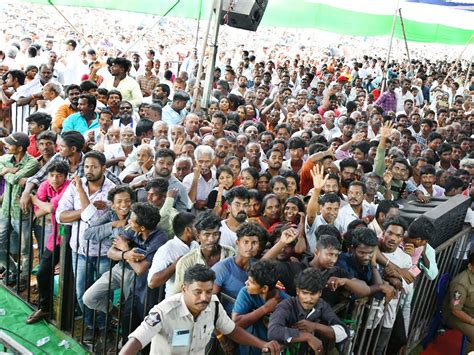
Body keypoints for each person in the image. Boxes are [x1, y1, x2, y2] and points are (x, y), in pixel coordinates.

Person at [120, 264, 281, 355]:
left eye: (209, 291)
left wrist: (263, 344)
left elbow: (232, 331)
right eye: (198, 292)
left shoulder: (214, 305)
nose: (204, 297)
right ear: (184, 288)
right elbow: (134, 343)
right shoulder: (164, 311)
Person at [56, 151, 117, 338]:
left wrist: (82, 213)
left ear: (103, 168)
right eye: (87, 166)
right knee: (81, 291)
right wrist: (84, 210)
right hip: (79, 249)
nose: (89, 170)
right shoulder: (76, 185)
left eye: (94, 167)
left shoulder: (112, 189)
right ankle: (90, 324)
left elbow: (94, 221)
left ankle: (104, 324)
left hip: (104, 251)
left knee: (102, 293)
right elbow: (60, 215)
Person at [83, 202, 167, 338]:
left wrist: (126, 249)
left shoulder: (159, 239)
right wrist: (126, 255)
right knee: (89, 297)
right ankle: (119, 316)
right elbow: (111, 252)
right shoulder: (131, 228)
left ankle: (130, 340)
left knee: (133, 314)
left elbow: (140, 269)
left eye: (132, 221)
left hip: (138, 279)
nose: (128, 222)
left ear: (142, 228)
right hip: (120, 268)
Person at [26, 161, 70, 324]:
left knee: (71, 275)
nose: (55, 179)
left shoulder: (69, 186)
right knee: (43, 272)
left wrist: (32, 198)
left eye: (59, 175)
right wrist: (44, 204)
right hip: (57, 237)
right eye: (52, 175)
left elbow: (51, 208)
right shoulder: (45, 184)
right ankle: (46, 308)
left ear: (65, 177)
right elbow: (39, 212)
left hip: (74, 238)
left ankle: (69, 313)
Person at [267, 268, 348, 353]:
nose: (308, 299)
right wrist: (307, 337)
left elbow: (343, 332)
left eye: (313, 294)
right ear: (298, 291)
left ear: (320, 293)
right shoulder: (286, 306)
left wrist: (315, 326)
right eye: (305, 293)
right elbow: (273, 332)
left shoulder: (321, 305)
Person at [0, 132, 39, 288]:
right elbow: (13, 176)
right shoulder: (5, 159)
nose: (6, 145)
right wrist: (8, 171)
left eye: (10, 144)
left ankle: (23, 279)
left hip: (21, 212)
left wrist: (5, 172)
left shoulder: (32, 163)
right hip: (5, 210)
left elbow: (15, 179)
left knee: (25, 249)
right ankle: (13, 270)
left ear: (20, 148)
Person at [232, 260, 290, 355]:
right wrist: (264, 309)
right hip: (247, 350)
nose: (246, 283)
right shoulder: (246, 292)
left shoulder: (286, 302)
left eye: (251, 282)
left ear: (264, 289)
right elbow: (236, 323)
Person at [173, 211, 235, 294]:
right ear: (198, 237)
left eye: (215, 234)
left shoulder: (231, 254)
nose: (212, 239)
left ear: (220, 235)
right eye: (207, 235)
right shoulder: (186, 262)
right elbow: (178, 294)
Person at [212, 222, 265, 315]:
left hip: (254, 317)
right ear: (237, 243)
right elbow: (211, 302)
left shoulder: (258, 266)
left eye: (254, 243)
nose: (250, 247)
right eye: (246, 242)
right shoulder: (222, 268)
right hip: (229, 321)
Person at [148, 212, 198, 298]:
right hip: (175, 300)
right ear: (188, 230)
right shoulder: (166, 250)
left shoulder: (195, 245)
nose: (200, 229)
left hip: (194, 298)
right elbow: (152, 283)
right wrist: (176, 265)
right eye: (197, 227)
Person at [444, 251, 474, 354]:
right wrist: (472, 321)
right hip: (457, 316)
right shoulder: (460, 284)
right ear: (470, 266)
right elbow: (455, 310)